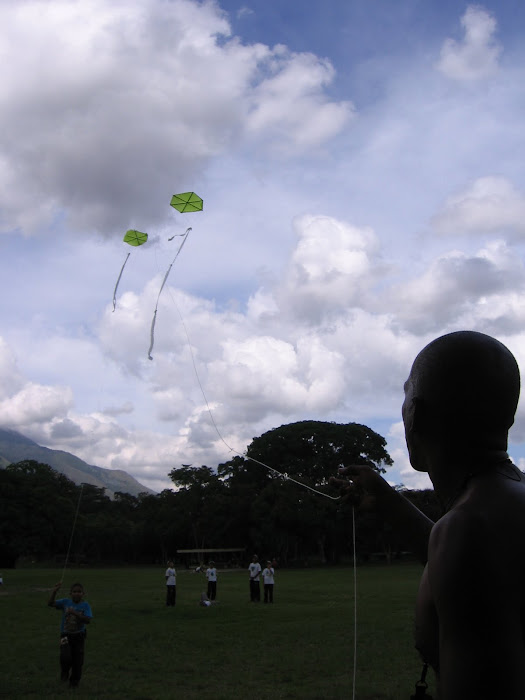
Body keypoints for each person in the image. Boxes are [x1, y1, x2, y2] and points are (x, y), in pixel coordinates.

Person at [332, 330, 525, 699]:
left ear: (416, 415)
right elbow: (480, 572)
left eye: (405, 396)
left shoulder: (469, 530)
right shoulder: (503, 504)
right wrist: (390, 504)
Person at [47, 581, 92, 688]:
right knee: (65, 657)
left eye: (79, 592)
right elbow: (50, 604)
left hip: (79, 636)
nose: (77, 593)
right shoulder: (65, 602)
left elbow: (88, 620)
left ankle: (74, 683)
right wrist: (54, 592)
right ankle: (65, 672)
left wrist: (75, 613)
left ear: (83, 593)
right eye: (74, 591)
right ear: (70, 593)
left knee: (78, 661)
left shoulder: (85, 605)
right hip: (65, 635)